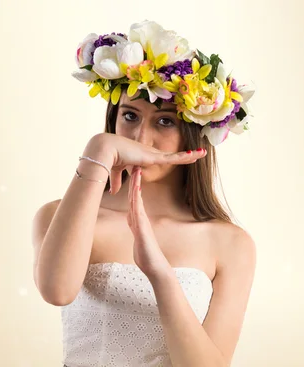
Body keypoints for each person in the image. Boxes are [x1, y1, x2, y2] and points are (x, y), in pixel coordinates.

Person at [32, 20, 257, 367]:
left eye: (164, 121)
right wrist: (99, 150)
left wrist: (159, 272)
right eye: (130, 115)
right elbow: (56, 290)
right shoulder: (59, 216)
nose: (140, 140)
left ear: (194, 135)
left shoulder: (231, 244)